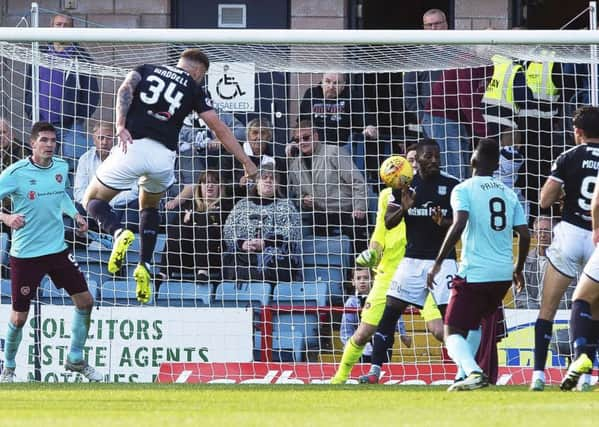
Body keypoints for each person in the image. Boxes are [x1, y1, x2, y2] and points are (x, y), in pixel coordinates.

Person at [82, 48, 258, 304]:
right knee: (149, 206)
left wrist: (120, 125)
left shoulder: (145, 68)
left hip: (133, 145)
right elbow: (220, 129)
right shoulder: (195, 89)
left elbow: (124, 91)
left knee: (92, 199)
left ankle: (118, 232)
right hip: (164, 157)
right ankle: (144, 264)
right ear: (198, 73)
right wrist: (246, 163)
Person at [0, 122, 102, 382]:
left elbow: (61, 196)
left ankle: (75, 359)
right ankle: (9, 368)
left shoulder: (60, 166)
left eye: (52, 140)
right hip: (26, 255)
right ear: (32, 143)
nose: (49, 145)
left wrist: (75, 214)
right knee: (20, 317)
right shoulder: (15, 173)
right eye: (43, 140)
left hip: (57, 250)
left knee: (86, 301)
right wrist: (6, 217)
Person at [426, 138, 530, 391]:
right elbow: (525, 235)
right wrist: (518, 268)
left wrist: (438, 262)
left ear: (473, 158)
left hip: (475, 272)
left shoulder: (463, 189)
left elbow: (459, 223)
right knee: (475, 322)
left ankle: (472, 371)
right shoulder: (508, 193)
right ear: (496, 164)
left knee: (451, 332)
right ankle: (463, 375)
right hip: (503, 274)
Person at [357, 138, 460, 383]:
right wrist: (404, 208)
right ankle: (374, 371)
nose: (434, 160)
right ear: (417, 159)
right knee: (390, 313)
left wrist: (443, 223)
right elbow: (389, 222)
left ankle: (467, 368)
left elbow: (462, 224)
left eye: (437, 156)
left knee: (450, 320)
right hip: (411, 261)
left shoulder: (453, 185)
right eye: (428, 156)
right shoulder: (403, 186)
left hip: (442, 262)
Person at [530, 106, 599, 391]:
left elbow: (545, 199)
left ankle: (537, 376)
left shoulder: (568, 157)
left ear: (578, 132)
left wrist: (562, 191)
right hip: (597, 238)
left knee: (547, 308)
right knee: (593, 309)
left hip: (570, 233)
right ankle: (585, 377)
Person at [24, 11, 99, 168]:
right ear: (51, 27)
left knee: (71, 166)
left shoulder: (82, 58)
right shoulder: (39, 54)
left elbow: (93, 93)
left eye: (66, 25)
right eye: (58, 24)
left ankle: (71, 193)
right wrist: (30, 110)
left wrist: (78, 116)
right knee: (43, 165)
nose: (62, 28)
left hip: (70, 125)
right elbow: (29, 88)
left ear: (73, 30)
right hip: (42, 123)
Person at [287, 120, 369, 254]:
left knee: (356, 238)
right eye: (297, 140)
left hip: (347, 211)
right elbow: (297, 195)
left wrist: (359, 207)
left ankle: (358, 272)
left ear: (316, 136)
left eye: (306, 137)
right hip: (320, 214)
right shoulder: (295, 164)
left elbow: (358, 181)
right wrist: (303, 200)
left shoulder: (333, 152)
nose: (302, 142)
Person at [222, 165, 301, 283]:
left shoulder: (286, 205)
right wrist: (242, 243)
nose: (268, 180)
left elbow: (291, 232)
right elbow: (228, 230)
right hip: (244, 253)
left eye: (272, 178)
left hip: (274, 256)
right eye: (264, 177)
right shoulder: (242, 205)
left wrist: (265, 243)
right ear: (257, 182)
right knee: (230, 260)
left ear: (277, 184)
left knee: (276, 262)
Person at [157, 169, 232, 285]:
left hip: (215, 256)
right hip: (188, 256)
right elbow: (174, 230)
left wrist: (195, 218)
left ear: (220, 187)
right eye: (205, 182)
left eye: (214, 182)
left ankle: (203, 271)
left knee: (203, 222)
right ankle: (163, 273)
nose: (209, 185)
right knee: (178, 228)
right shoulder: (190, 205)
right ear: (200, 186)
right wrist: (186, 222)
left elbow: (223, 231)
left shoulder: (226, 206)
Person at [74, 121, 139, 232]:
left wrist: (109, 201)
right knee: (77, 207)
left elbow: (134, 190)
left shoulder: (125, 158)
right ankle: (89, 239)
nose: (104, 142)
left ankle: (123, 239)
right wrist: (96, 203)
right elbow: (79, 192)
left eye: (108, 138)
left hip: (119, 206)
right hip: (93, 209)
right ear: (94, 140)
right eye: (100, 138)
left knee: (137, 203)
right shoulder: (85, 159)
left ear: (114, 139)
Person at [339, 266, 411, 364]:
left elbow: (395, 315)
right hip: (362, 349)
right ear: (353, 282)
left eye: (366, 278)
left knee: (383, 372)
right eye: (358, 278)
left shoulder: (381, 298)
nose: (362, 281)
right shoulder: (351, 303)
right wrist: (349, 346)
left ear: (372, 279)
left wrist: (403, 334)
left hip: (383, 343)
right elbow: (346, 329)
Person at [516, 216, 576, 310]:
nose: (542, 235)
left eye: (546, 231)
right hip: (529, 315)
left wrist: (549, 311)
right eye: (539, 231)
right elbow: (521, 294)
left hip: (559, 314)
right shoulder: (524, 261)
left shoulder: (566, 261)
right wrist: (536, 311)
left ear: (554, 234)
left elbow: (569, 292)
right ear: (535, 234)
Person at [403, 9, 447, 128]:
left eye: (437, 23)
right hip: (431, 120)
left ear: (446, 24)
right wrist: (424, 118)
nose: (433, 28)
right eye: (429, 25)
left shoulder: (460, 52)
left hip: (460, 118)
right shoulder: (416, 57)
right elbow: (409, 93)